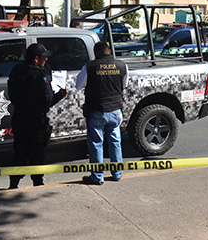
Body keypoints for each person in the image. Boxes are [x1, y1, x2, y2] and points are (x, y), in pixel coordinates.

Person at [7, 43, 67, 189]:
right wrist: (61, 94)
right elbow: (47, 101)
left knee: (20, 152)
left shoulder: (16, 70)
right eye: (43, 57)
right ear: (35, 59)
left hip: (19, 117)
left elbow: (11, 93)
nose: (46, 59)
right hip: (36, 121)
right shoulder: (39, 76)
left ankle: (14, 183)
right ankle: (38, 183)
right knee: (37, 153)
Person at [76, 41, 128, 185]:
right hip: (115, 110)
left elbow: (78, 85)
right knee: (115, 142)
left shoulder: (90, 66)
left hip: (97, 111)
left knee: (96, 144)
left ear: (95, 53)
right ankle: (117, 173)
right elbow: (124, 85)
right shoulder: (122, 65)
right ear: (109, 51)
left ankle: (97, 176)